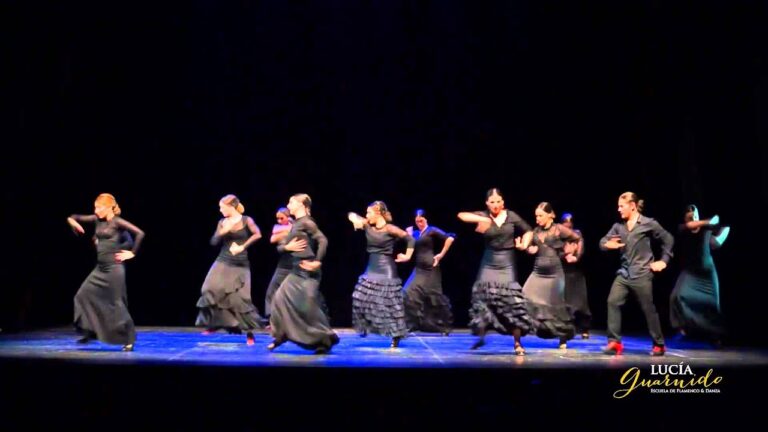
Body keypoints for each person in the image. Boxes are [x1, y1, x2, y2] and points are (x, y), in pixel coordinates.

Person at [457, 188, 533, 354]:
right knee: (482, 296)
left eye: (498, 201)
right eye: (492, 202)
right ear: (487, 203)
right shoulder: (484, 215)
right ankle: (481, 334)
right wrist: (482, 218)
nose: (496, 205)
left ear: (503, 202)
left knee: (512, 301)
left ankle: (517, 343)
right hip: (488, 261)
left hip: (507, 262)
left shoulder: (511, 216)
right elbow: (461, 215)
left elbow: (528, 231)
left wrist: (524, 245)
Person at [67, 193, 145, 351]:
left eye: (99, 208)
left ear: (109, 207)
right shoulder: (97, 219)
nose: (96, 211)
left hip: (114, 269)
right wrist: (72, 223)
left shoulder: (117, 222)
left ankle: (129, 339)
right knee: (82, 295)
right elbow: (74, 216)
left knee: (117, 304)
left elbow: (140, 234)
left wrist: (132, 253)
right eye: (95, 207)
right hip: (100, 268)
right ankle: (91, 330)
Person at [600, 192, 673, 356]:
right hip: (624, 274)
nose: (618, 209)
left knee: (648, 309)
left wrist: (664, 261)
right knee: (612, 301)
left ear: (632, 206)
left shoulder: (648, 223)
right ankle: (614, 342)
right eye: (618, 206)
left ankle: (659, 344)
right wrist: (607, 245)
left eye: (621, 206)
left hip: (642, 273)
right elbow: (602, 242)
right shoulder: (618, 226)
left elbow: (668, 239)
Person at [195, 194, 263, 345]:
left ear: (231, 206)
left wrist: (243, 246)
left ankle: (249, 333)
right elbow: (213, 241)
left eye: (222, 207)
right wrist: (223, 232)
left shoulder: (246, 220)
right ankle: (217, 323)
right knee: (209, 289)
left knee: (240, 299)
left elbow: (258, 234)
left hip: (240, 263)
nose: (220, 210)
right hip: (223, 260)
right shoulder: (222, 222)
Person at [349, 201, 414, 348]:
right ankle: (366, 326)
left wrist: (407, 256)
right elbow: (351, 215)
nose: (367, 215)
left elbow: (410, 239)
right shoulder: (367, 226)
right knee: (360, 296)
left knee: (389, 304)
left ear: (378, 212)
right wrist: (357, 219)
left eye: (369, 212)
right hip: (371, 267)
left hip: (386, 269)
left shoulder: (390, 228)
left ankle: (396, 335)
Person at [522, 202, 580, 350]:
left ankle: (563, 338)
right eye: (536, 216)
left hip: (554, 274)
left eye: (540, 216)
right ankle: (530, 330)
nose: (537, 219)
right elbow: (529, 247)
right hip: (538, 272)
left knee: (556, 306)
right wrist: (530, 250)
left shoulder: (558, 229)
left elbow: (576, 238)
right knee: (524, 296)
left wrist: (570, 251)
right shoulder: (536, 231)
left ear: (549, 215)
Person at [669, 205, 730, 346]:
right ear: (685, 218)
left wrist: (727, 228)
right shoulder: (682, 229)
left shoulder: (706, 230)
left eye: (695, 215)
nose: (693, 218)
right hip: (690, 272)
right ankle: (684, 329)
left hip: (707, 273)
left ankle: (716, 335)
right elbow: (690, 226)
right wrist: (709, 222)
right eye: (690, 216)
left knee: (712, 305)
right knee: (676, 297)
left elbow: (716, 243)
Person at [403, 209, 455, 335]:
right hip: (419, 269)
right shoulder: (415, 233)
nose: (419, 223)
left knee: (434, 297)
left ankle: (444, 327)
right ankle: (411, 324)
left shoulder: (431, 230)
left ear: (426, 219)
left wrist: (441, 255)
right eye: (417, 221)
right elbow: (409, 245)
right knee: (407, 292)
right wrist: (407, 234)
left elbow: (450, 238)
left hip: (431, 268)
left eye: (421, 220)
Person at [561, 213, 592, 339]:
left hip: (575, 272)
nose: (568, 223)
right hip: (562, 271)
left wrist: (575, 256)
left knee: (581, 302)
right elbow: (556, 249)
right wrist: (565, 254)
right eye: (565, 221)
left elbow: (580, 248)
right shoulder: (559, 234)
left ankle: (585, 327)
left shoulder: (577, 233)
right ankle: (565, 328)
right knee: (564, 302)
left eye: (570, 221)